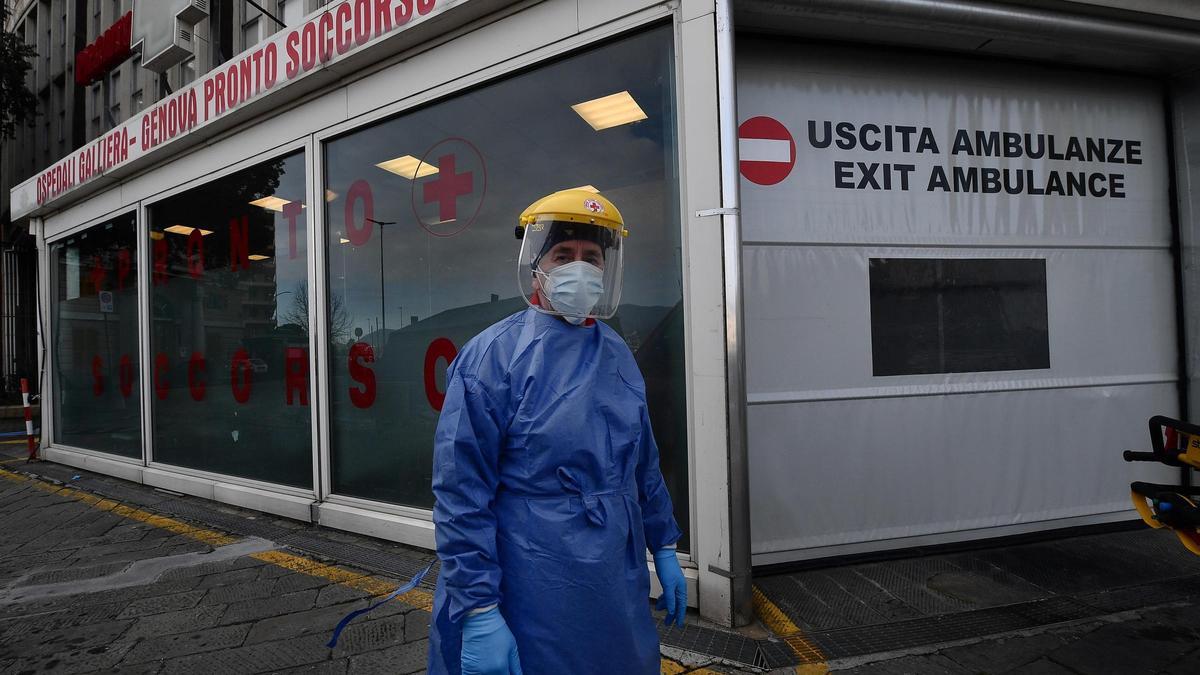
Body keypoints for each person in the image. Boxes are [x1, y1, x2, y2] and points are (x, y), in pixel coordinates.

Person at [427, 188, 686, 675]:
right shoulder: (491, 359)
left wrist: (665, 545)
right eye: (563, 256)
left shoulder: (617, 354)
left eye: (591, 257)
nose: (580, 268)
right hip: (528, 573)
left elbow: (643, 464)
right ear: (536, 265)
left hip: (612, 574)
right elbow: (461, 492)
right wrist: (479, 609)